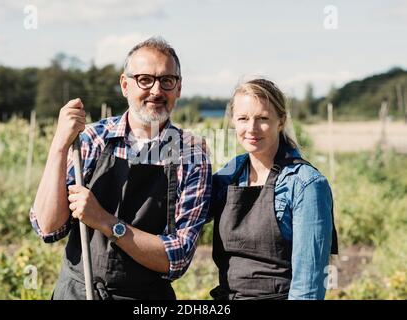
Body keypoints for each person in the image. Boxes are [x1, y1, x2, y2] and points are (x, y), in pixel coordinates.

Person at [29, 37, 212, 300]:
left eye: (167, 81)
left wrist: (103, 220)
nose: (156, 91)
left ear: (179, 88)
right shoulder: (92, 139)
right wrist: (59, 144)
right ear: (125, 85)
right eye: (144, 79)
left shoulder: (191, 156)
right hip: (78, 293)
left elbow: (177, 258)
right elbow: (48, 228)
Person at [209, 78, 338, 300]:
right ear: (233, 122)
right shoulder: (230, 174)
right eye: (243, 118)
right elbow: (185, 214)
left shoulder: (306, 184)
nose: (252, 128)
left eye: (263, 119)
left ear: (281, 121)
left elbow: (308, 287)